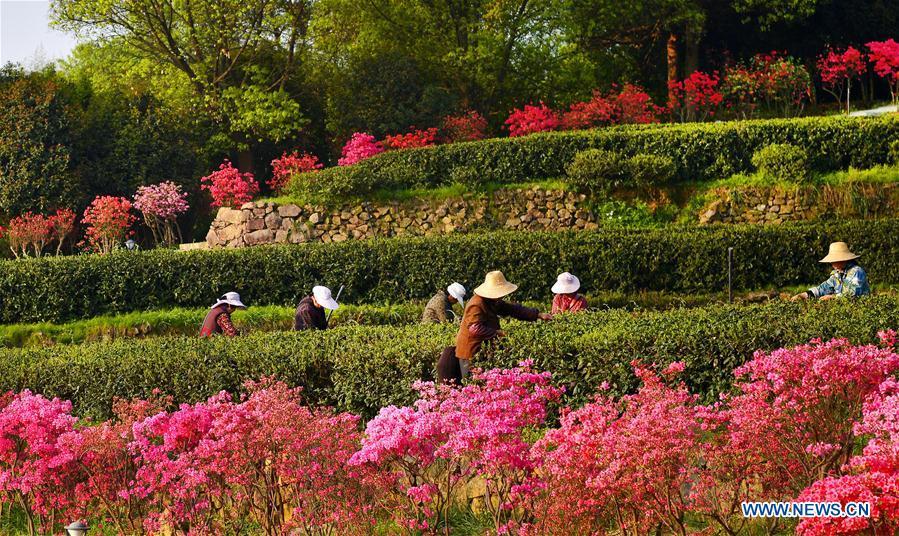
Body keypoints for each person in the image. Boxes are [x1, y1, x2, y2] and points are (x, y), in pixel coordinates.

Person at [455, 271, 553, 378]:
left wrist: (538, 314)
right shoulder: (477, 304)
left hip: (483, 349)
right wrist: (497, 332)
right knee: (472, 384)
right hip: (470, 351)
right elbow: (474, 328)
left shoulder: (492, 301)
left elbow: (513, 309)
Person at [791, 242, 870, 302]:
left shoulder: (856, 272)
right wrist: (803, 295)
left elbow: (852, 294)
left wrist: (832, 297)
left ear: (843, 259)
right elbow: (823, 288)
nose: (832, 263)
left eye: (835, 260)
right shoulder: (836, 274)